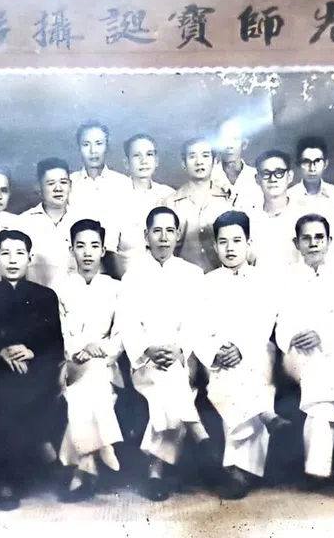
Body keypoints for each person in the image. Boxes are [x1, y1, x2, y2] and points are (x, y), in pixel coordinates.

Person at [115, 206, 219, 501]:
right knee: (169, 380)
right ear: (146, 236)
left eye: (169, 231)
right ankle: (197, 431)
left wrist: (179, 348)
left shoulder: (192, 274)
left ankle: (155, 471)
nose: (163, 238)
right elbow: (127, 323)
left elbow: (198, 321)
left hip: (180, 359)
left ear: (177, 236)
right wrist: (148, 348)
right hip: (145, 362)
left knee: (170, 381)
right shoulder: (132, 277)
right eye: (156, 231)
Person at [0, 229, 67, 511]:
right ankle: (9, 479)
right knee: (2, 392)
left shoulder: (46, 297)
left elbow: (56, 346)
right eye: (5, 253)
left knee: (23, 390)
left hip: (37, 372)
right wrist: (0, 352)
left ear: (30, 258)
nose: (12, 260)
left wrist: (32, 351)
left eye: (19, 253)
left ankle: (18, 471)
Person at [194, 211, 290, 500]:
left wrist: (241, 348)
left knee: (245, 376)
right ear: (215, 246)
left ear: (249, 242)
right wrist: (216, 351)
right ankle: (265, 416)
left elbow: (265, 322)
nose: (231, 247)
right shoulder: (206, 282)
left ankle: (237, 471)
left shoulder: (264, 281)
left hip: (256, 351)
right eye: (223, 242)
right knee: (232, 381)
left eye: (237, 240)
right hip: (218, 358)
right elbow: (197, 326)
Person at [275, 214, 334, 490]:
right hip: (297, 352)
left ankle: (317, 469)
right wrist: (292, 339)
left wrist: (320, 335)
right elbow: (282, 318)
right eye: (307, 238)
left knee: (319, 400)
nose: (313, 243)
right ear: (297, 242)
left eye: (319, 238)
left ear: (329, 241)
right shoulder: (287, 276)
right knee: (315, 377)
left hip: (333, 347)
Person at [55, 219, 125, 502]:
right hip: (68, 364)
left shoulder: (115, 288)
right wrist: (76, 352)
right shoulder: (60, 287)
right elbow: (57, 331)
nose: (87, 253)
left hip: (105, 364)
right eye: (80, 246)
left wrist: (99, 348)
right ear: (71, 249)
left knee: (94, 376)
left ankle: (84, 466)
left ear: (102, 250)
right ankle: (103, 445)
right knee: (87, 380)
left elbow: (121, 336)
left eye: (94, 246)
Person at [165, 138, 237, 273]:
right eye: (192, 156)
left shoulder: (229, 200)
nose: (199, 162)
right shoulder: (170, 203)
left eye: (205, 155)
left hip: (222, 281)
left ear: (215, 161)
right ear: (183, 163)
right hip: (182, 280)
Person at [19, 158, 89, 290]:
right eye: (51, 183)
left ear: (70, 185)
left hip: (76, 300)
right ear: (39, 187)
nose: (58, 188)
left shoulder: (83, 221)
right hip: (36, 301)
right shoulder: (23, 223)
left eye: (63, 182)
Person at [68, 122, 129, 267]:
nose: (93, 150)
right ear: (79, 148)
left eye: (98, 143)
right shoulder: (68, 183)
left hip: (116, 266)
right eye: (86, 144)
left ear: (107, 146)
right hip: (76, 265)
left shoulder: (123, 184)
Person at [114, 134, 175, 276]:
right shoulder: (115, 198)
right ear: (126, 163)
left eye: (149, 154)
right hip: (128, 278)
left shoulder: (169, 195)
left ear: (157, 160)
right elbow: (110, 251)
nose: (143, 161)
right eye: (136, 155)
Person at [287, 136, 334, 262]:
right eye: (306, 162)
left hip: (332, 264)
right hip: (298, 265)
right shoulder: (289, 197)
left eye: (317, 161)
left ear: (325, 163)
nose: (312, 167)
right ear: (299, 164)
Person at [247, 150, 305, 271]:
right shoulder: (248, 219)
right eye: (266, 173)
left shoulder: (304, 216)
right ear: (257, 179)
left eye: (279, 172)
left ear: (290, 176)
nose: (273, 179)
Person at [210, 120, 263, 211]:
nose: (229, 146)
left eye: (234, 139)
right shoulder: (208, 178)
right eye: (224, 140)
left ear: (244, 144)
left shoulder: (257, 178)